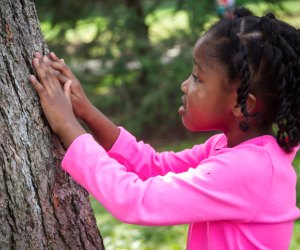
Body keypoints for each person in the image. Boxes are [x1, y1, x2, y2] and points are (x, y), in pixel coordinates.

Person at [29, 7, 300, 250]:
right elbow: (154, 166)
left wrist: (67, 125)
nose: (185, 85)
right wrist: (86, 111)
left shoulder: (251, 170)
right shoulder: (230, 149)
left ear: (243, 105)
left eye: (197, 77)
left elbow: (135, 199)